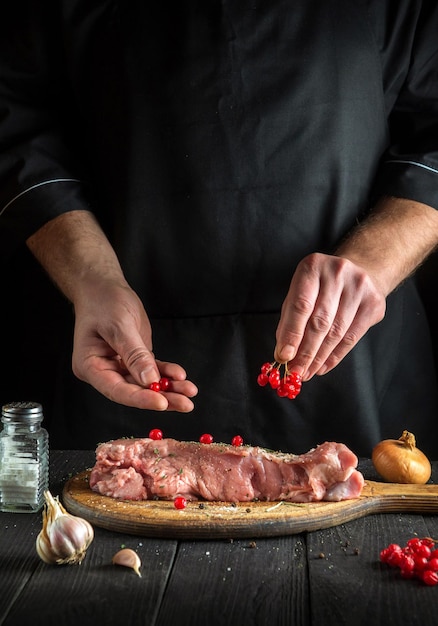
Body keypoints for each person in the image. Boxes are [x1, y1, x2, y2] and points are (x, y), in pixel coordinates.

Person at [1, 0, 438, 457]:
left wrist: (377, 259)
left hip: (357, 362)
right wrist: (91, 277)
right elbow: (17, 119)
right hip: (115, 353)